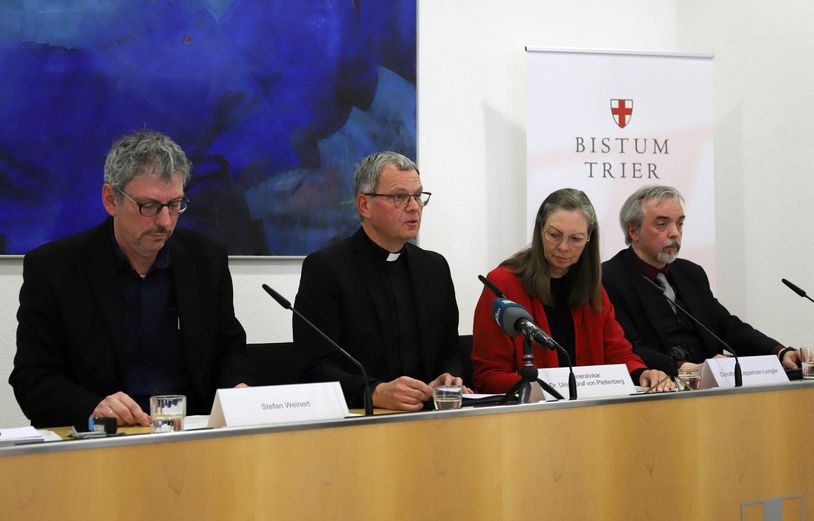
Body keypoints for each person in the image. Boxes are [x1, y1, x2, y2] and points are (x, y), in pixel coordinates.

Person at [10, 130, 251, 428]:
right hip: (102, 444)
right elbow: (32, 378)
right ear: (111, 200)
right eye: (148, 206)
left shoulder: (205, 261)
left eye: (175, 204)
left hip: (191, 436)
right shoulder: (55, 269)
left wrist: (237, 390)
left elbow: (229, 350)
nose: (164, 221)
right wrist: (93, 407)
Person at [293, 151, 464, 411]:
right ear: (364, 205)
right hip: (360, 421)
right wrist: (372, 392)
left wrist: (448, 376)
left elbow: (450, 348)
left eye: (418, 196)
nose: (414, 207)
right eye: (399, 197)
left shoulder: (434, 267)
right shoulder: (326, 268)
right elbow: (315, 367)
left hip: (430, 418)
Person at [472, 188, 672, 393]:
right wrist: (542, 389)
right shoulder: (503, 283)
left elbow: (618, 354)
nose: (563, 247)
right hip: (527, 416)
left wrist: (642, 373)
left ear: (588, 238)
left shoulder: (593, 289)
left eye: (575, 239)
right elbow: (487, 375)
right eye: (554, 235)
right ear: (540, 230)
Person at [602, 184, 798, 376]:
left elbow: (727, 326)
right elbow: (626, 346)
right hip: (660, 386)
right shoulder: (610, 277)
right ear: (633, 231)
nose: (675, 233)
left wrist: (780, 352)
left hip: (711, 388)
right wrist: (683, 368)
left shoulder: (691, 273)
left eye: (680, 223)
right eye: (662, 224)